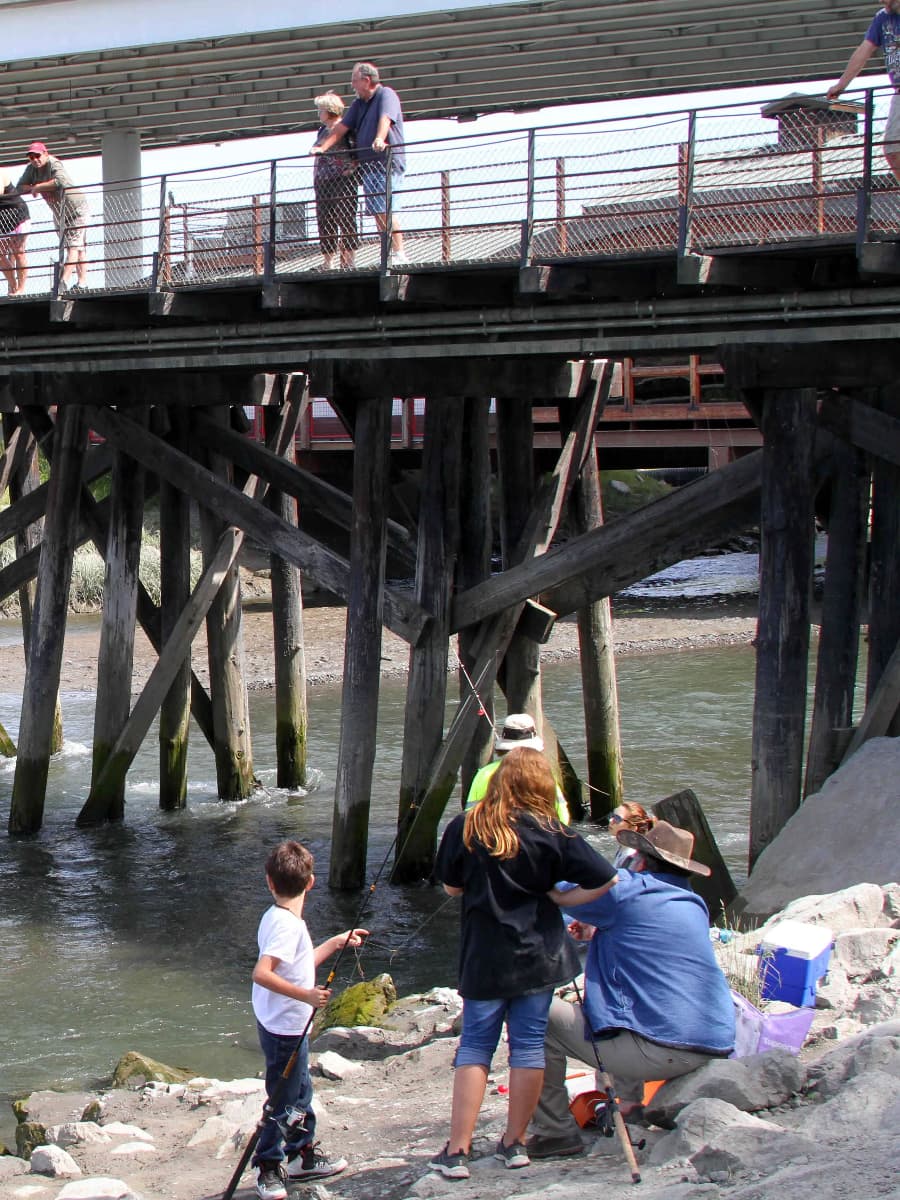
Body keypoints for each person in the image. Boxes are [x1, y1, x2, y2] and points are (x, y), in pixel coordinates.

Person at [429, 747, 617, 1180]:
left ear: (498, 781)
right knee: (528, 1046)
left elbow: (452, 888)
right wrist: (562, 897)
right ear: (541, 785)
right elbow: (607, 878)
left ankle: (457, 1151)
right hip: (538, 955)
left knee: (476, 1046)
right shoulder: (553, 831)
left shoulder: (466, 826)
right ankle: (515, 1144)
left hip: (485, 955)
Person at [527, 820, 736, 1159]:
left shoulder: (627, 889)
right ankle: (628, 1107)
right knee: (629, 1004)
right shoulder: (691, 902)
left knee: (537, 1015)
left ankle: (554, 1132)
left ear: (639, 860)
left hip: (664, 1049)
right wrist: (600, 931)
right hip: (715, 1042)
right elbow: (645, 941)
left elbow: (556, 888)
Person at [250, 839, 368, 1200]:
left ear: (269, 882)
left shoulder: (280, 918)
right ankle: (267, 1164)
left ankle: (303, 1153)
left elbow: (296, 966)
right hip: (285, 1027)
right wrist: (306, 996)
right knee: (285, 1101)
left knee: (301, 1091)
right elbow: (262, 973)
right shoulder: (287, 926)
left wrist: (334, 943)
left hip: (282, 1023)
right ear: (312, 882)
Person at [311, 62, 406, 262]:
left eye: (354, 81)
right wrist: (323, 147)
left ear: (366, 80)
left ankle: (399, 254)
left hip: (384, 162)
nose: (352, 85)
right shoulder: (359, 104)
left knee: (385, 210)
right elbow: (342, 127)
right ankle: (389, 254)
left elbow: (385, 119)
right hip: (369, 165)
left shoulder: (385, 94)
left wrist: (380, 138)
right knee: (378, 213)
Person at [827, 1, 900, 183]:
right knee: (892, 149)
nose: (881, 1)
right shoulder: (882, 18)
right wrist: (841, 84)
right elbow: (864, 50)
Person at [465, 712, 570, 823]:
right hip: (539, 835)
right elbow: (563, 817)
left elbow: (469, 815)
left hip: (493, 835)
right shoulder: (543, 773)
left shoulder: (484, 774)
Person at [15, 142, 91, 292]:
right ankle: (82, 283)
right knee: (77, 247)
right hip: (59, 213)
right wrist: (32, 187)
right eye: (31, 157)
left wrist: (38, 187)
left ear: (45, 153)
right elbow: (20, 187)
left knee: (73, 246)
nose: (35, 160)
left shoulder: (53, 163)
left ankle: (63, 282)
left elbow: (60, 181)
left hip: (76, 209)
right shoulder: (31, 169)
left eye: (37, 156)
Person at [312, 92, 360, 270]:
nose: (319, 113)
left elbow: (356, 150)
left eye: (321, 109)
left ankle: (349, 260)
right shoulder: (322, 129)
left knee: (345, 216)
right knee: (325, 219)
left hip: (343, 178)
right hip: (323, 181)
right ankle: (328, 261)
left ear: (329, 109)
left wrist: (352, 169)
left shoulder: (345, 127)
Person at [0, 170, 31, 295]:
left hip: (17, 215)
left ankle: (21, 288)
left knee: (18, 252)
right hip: (3, 219)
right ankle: (13, 286)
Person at [608, 801, 655, 869]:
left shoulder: (632, 856)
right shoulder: (623, 847)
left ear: (633, 828)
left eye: (617, 818)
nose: (610, 820)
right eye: (612, 815)